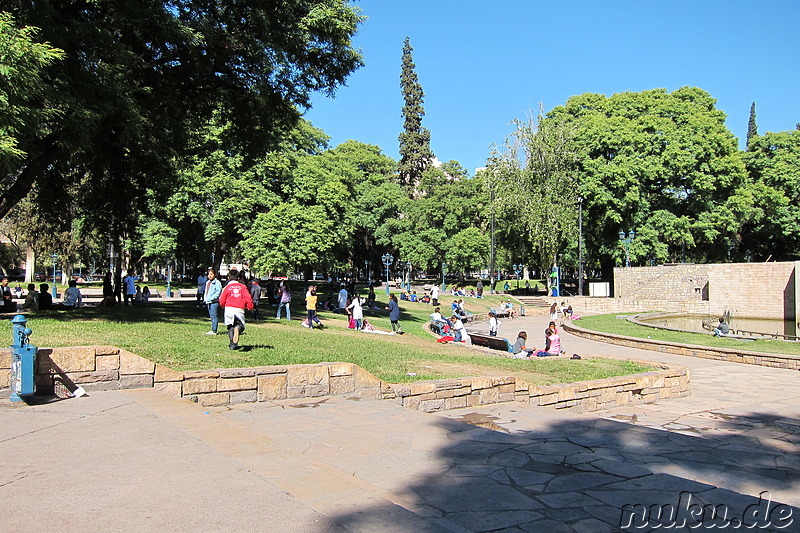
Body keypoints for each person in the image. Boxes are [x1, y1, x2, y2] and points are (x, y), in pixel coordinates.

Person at [219, 269, 254, 350]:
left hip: (229, 308)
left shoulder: (227, 287)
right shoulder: (242, 287)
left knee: (230, 326)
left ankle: (232, 344)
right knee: (240, 325)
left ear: (228, 278)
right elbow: (248, 298)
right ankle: (238, 328)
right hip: (239, 308)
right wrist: (250, 307)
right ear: (239, 278)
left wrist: (222, 306)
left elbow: (222, 299)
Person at [203, 269, 222, 335]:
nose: (210, 276)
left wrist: (211, 298)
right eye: (209, 274)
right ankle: (212, 329)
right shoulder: (208, 282)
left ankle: (214, 330)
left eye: (211, 274)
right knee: (211, 316)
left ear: (215, 275)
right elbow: (206, 292)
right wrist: (205, 299)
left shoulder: (217, 283)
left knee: (214, 316)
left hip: (214, 302)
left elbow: (218, 292)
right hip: (208, 302)